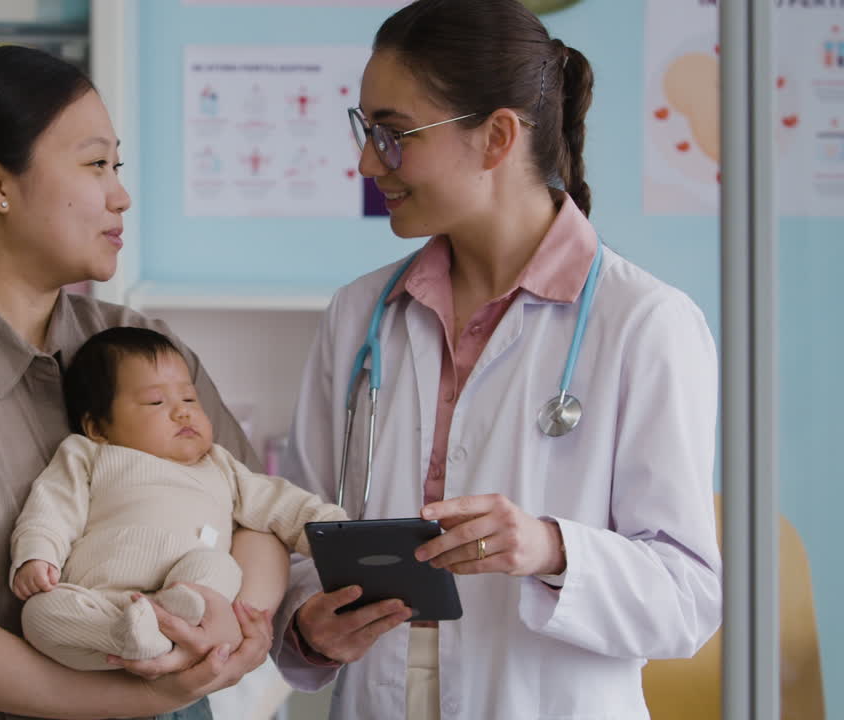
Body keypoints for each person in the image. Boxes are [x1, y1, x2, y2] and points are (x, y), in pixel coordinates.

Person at [270, 1, 722, 718]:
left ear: (497, 137)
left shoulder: (643, 324)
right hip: (378, 695)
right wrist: (306, 624)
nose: (365, 162)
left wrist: (551, 548)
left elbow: (688, 599)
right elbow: (294, 528)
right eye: (365, 132)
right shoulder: (359, 315)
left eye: (391, 134)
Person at [0, 46, 286, 720]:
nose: (120, 194)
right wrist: (138, 697)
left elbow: (256, 518)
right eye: (95, 164)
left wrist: (239, 625)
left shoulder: (135, 340)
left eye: (118, 165)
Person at [10, 327, 348, 671]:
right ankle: (129, 636)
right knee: (40, 613)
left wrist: (340, 537)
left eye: (189, 399)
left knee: (220, 567)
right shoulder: (90, 454)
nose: (182, 412)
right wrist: (38, 554)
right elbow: (52, 506)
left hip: (186, 593)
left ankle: (165, 626)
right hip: (98, 602)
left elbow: (284, 505)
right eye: (156, 402)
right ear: (99, 428)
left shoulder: (221, 466)